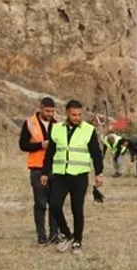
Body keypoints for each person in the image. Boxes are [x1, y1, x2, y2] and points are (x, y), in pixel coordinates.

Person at [41, 100, 104, 255]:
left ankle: (77, 241)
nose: (77, 117)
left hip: (80, 176)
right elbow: (50, 153)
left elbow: (96, 153)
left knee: (77, 209)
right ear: (67, 113)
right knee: (55, 205)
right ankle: (68, 235)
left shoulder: (89, 130)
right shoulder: (55, 129)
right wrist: (45, 172)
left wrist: (98, 173)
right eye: (74, 115)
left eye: (79, 114)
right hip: (60, 175)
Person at [19, 97, 58, 246]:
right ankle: (42, 236)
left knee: (55, 203)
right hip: (37, 168)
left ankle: (55, 234)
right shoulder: (29, 123)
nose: (50, 114)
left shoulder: (57, 124)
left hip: (55, 168)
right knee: (40, 203)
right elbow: (23, 145)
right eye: (48, 111)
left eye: (53, 111)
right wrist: (41, 145)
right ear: (41, 108)